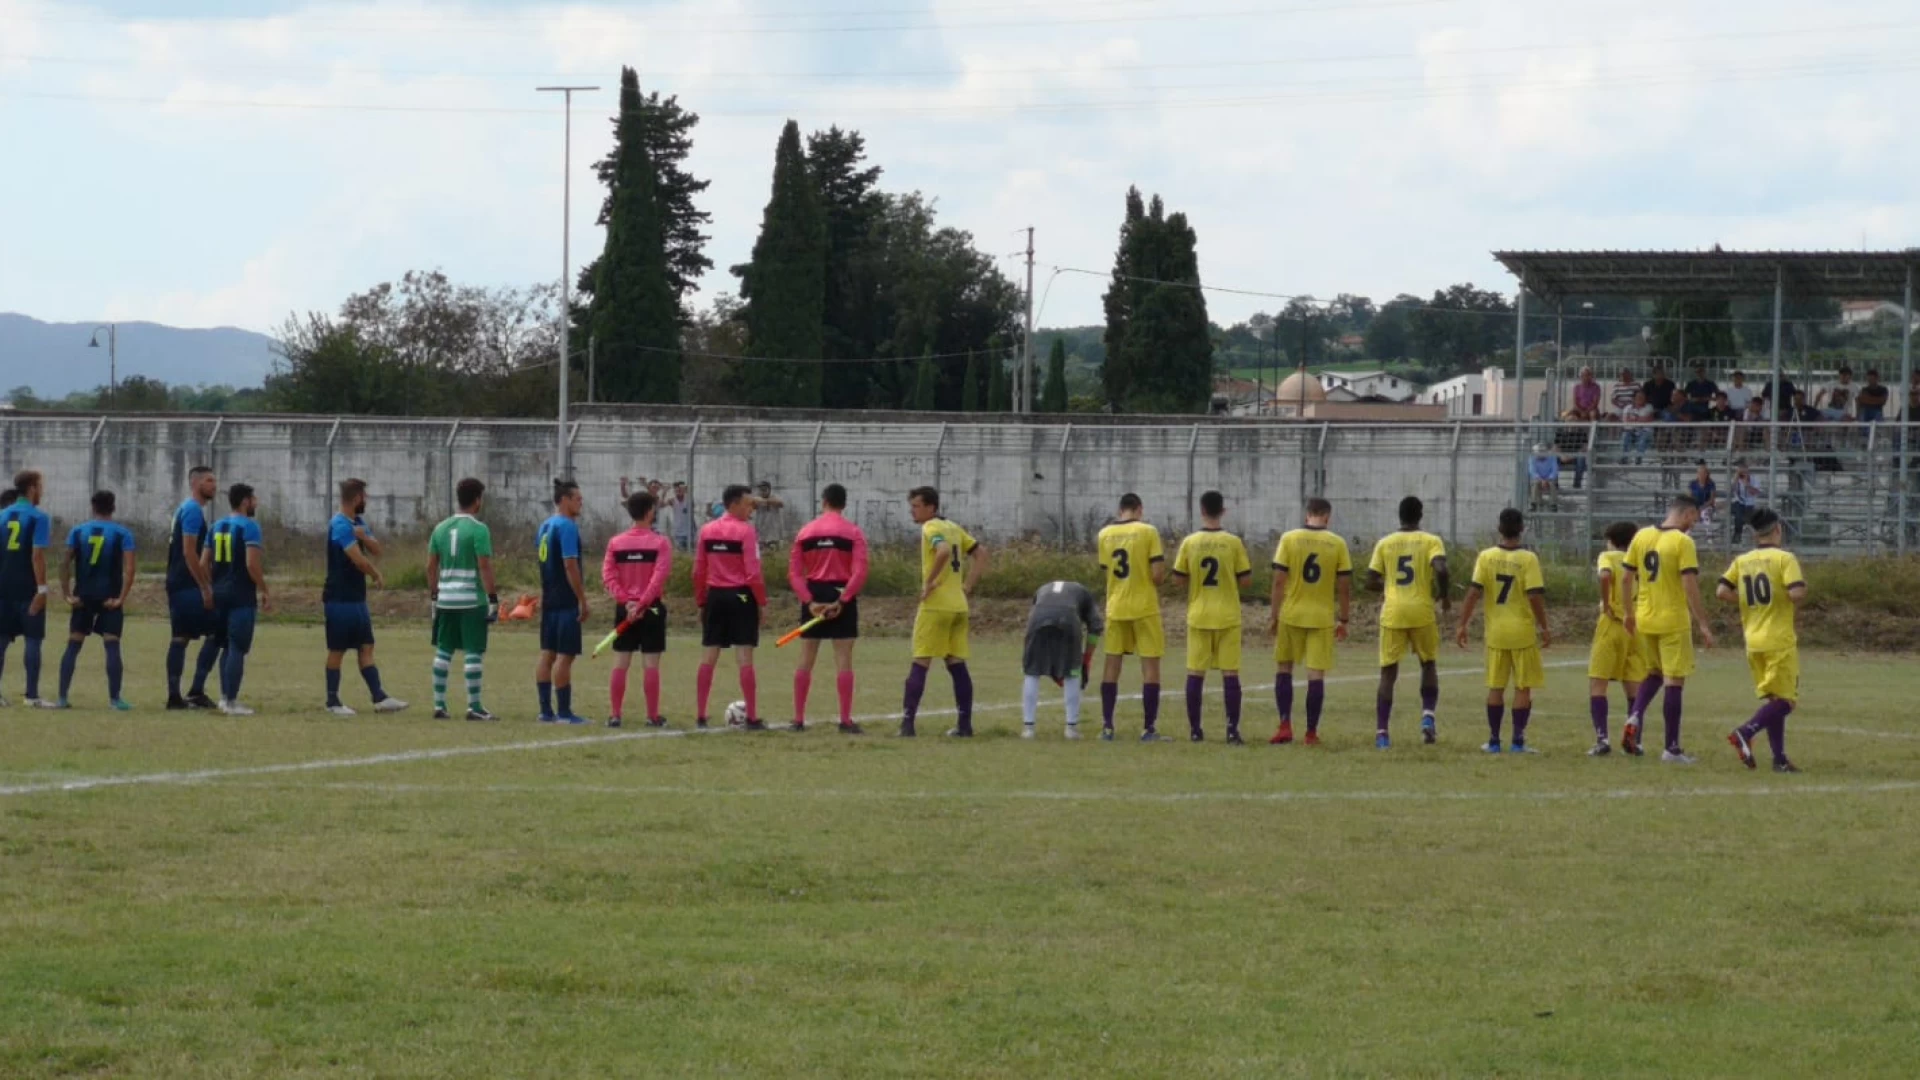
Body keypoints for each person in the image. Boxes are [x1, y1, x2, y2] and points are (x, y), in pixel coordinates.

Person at [1622, 495, 1717, 762]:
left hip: (1645, 617)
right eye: (1694, 519)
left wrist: (1629, 613)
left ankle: (1635, 715)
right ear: (1686, 514)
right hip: (1672, 620)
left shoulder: (1641, 536)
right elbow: (1689, 584)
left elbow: (1626, 577)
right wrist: (1702, 622)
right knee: (1674, 681)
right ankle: (1671, 748)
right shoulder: (1682, 542)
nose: (1694, 525)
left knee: (1653, 672)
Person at [1454, 508, 1550, 754]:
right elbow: (1534, 596)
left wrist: (1462, 624)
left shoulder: (1486, 557)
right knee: (1522, 687)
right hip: (1521, 632)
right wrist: (1544, 626)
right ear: (1522, 529)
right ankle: (1518, 741)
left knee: (1496, 687)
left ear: (1499, 529)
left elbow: (1473, 592)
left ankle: (1494, 740)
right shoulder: (1528, 559)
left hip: (1495, 632)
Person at [1716, 509, 1803, 773]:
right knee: (1786, 701)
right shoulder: (1785, 558)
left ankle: (1779, 759)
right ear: (1778, 529)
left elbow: (1721, 591)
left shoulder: (1743, 560)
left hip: (1753, 639)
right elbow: (1796, 592)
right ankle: (1745, 732)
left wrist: (1745, 601)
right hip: (1778, 638)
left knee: (1774, 699)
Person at [900, 486, 987, 738]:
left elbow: (944, 551)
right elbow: (981, 553)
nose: (912, 511)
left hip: (936, 605)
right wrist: (967, 586)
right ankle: (965, 725)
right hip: (958, 605)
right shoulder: (953, 526)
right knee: (956, 664)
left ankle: (907, 725)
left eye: (916, 506)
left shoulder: (931, 528)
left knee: (920, 661)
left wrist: (928, 582)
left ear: (931, 507)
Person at [1267, 497, 1352, 746]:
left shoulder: (1289, 539)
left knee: (1284, 669)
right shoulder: (1337, 543)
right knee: (1315, 675)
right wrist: (1344, 618)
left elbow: (1279, 581)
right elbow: (1344, 586)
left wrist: (1274, 616)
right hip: (1321, 617)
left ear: (1307, 515)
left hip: (1291, 614)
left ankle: (1284, 725)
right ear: (1327, 517)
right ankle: (1311, 733)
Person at [1365, 496, 1449, 749]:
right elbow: (1442, 569)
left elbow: (1369, 580)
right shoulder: (1431, 541)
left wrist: (1387, 585)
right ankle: (1427, 718)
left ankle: (1382, 734)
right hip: (1421, 611)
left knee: (1388, 673)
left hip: (1393, 612)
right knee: (1428, 663)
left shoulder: (1385, 543)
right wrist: (1443, 595)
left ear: (1399, 515)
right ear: (1420, 515)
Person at [1169, 491, 1253, 744]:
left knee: (1195, 673)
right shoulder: (1233, 542)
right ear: (1223, 511)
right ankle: (1231, 730)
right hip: (1227, 615)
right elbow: (1246, 580)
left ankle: (1195, 730)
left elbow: (1177, 578)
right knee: (1230, 674)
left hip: (1199, 614)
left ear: (1202, 510)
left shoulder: (1190, 542)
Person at [788, 483, 869, 734]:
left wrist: (809, 601)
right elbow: (860, 571)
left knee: (805, 659)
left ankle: (798, 719)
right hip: (840, 593)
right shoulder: (853, 532)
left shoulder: (805, 532)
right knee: (843, 659)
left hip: (814, 593)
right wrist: (843, 601)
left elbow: (794, 573)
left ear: (823, 502)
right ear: (844, 504)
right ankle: (845, 720)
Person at [323, 479, 405, 717]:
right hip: (339, 598)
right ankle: (332, 701)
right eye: (365, 496)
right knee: (337, 650)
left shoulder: (358, 523)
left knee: (366, 646)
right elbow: (357, 559)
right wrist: (376, 574)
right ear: (357, 498)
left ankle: (379, 697)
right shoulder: (339, 524)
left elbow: (377, 549)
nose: (367, 500)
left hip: (357, 598)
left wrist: (364, 536)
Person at [55, 490, 137, 710]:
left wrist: (67, 594)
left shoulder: (78, 531)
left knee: (73, 645)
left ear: (92, 506)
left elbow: (64, 564)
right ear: (114, 506)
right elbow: (130, 569)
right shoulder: (122, 533)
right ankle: (115, 699)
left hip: (83, 596)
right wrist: (121, 598)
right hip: (109, 597)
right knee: (112, 645)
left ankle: (62, 698)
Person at [694, 484, 767, 729]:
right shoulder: (746, 531)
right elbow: (753, 572)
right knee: (745, 655)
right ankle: (753, 716)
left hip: (715, 595)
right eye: (747, 504)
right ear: (733, 504)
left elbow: (698, 570)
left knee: (709, 655)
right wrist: (761, 602)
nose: (751, 509)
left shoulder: (707, 531)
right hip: (741, 596)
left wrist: (701, 600)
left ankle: (701, 714)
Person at [426, 477, 499, 722]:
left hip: (446, 599)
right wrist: (493, 598)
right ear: (477, 500)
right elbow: (484, 566)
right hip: (471, 600)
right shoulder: (479, 529)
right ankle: (474, 706)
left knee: (444, 650)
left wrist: (435, 596)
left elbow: (430, 567)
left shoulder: (440, 528)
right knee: (473, 651)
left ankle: (439, 704)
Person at [1096, 493, 1167, 741]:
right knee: (1150, 666)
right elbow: (1157, 575)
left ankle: (1107, 726)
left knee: (1112, 665)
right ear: (1139, 509)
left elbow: (1107, 570)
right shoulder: (1148, 532)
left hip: (1116, 606)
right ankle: (1148, 728)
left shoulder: (1104, 534)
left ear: (1120, 510)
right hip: (1144, 607)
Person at [603, 489, 673, 729]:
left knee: (621, 661)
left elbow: (609, 576)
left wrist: (626, 602)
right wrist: (642, 603)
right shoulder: (660, 543)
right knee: (651, 663)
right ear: (650, 511)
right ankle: (652, 716)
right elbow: (658, 577)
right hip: (650, 609)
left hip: (626, 609)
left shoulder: (616, 542)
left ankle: (615, 715)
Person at [204, 483, 269, 716]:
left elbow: (204, 563)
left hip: (219, 593)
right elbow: (252, 564)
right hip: (241, 594)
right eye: (254, 499)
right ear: (245, 501)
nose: (257, 502)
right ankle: (231, 701)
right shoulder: (250, 527)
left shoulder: (216, 526)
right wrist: (264, 589)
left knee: (225, 646)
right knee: (238, 647)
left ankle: (224, 697)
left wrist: (208, 589)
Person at [1585, 521, 1646, 757]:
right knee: (1634, 687)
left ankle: (1602, 739)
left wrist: (1607, 603)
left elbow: (1604, 576)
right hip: (1635, 626)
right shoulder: (1639, 560)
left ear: (1611, 540)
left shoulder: (1608, 556)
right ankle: (1635, 742)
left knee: (1598, 683)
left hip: (1612, 625)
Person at [535, 478, 592, 724]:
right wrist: (582, 599)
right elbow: (570, 564)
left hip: (549, 597)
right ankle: (565, 713)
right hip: (565, 599)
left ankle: (546, 711)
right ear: (565, 500)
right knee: (565, 655)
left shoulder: (545, 525)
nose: (581, 502)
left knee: (547, 653)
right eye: (577, 498)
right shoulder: (567, 526)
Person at [164, 465, 220, 710]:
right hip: (187, 584)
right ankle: (194, 690)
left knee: (181, 637)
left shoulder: (184, 509)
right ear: (197, 484)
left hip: (177, 582)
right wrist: (205, 587)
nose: (214, 486)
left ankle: (176, 695)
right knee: (217, 632)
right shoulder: (193, 511)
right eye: (209, 480)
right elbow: (189, 551)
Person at [1019, 580, 1104, 740]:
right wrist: (1086, 660)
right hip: (1068, 618)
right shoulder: (1084, 593)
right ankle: (1071, 728)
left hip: (1037, 619)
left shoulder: (1042, 588)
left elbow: (1037, 611)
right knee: (1072, 673)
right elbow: (1095, 627)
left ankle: (1028, 728)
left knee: (1032, 671)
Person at [0, 469, 54, 707]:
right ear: (32, 488)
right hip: (28, 589)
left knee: (0, 641)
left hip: (3, 588)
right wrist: (42, 590)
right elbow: (37, 556)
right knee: (32, 640)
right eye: (41, 486)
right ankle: (31, 696)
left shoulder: (1, 515)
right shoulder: (38, 517)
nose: (42, 491)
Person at [1728, 463, 1762, 544]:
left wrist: (1747, 484)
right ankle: (1738, 535)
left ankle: (1737, 535)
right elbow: (1730, 492)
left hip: (1749, 505)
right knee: (1738, 511)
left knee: (1740, 515)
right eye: (1741, 471)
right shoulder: (1735, 479)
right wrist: (1736, 479)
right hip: (1738, 503)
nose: (1742, 473)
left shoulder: (1755, 479)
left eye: (1744, 471)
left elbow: (1755, 492)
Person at [1621, 390, 1655, 463]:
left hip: (1645, 431)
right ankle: (1624, 458)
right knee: (1625, 436)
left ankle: (1638, 458)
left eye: (1643, 397)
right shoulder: (1628, 407)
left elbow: (1649, 419)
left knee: (1643, 438)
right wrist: (1642, 419)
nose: (1641, 398)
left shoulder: (1649, 406)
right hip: (1630, 430)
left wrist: (1635, 418)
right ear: (1634, 398)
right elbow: (1626, 420)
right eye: (1639, 397)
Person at [1528, 445, 1560, 510]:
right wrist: (1541, 480)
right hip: (1538, 478)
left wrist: (1547, 479)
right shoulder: (1531, 458)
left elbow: (1555, 470)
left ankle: (1553, 504)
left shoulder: (1552, 457)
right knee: (1535, 483)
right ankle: (1533, 504)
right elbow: (1532, 471)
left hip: (1550, 478)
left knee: (1552, 484)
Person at [1689, 463, 1718, 528]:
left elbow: (1712, 499)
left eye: (1703, 473)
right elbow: (1690, 498)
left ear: (1706, 474)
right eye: (1699, 473)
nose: (1701, 475)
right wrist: (1696, 508)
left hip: (1707, 506)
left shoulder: (1711, 484)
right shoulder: (1692, 483)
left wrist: (1702, 507)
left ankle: (1709, 535)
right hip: (1695, 505)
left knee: (1705, 514)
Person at [669, 481, 695, 551]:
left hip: (689, 532)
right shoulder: (672, 500)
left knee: (691, 553)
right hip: (678, 533)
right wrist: (664, 492)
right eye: (676, 489)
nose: (678, 491)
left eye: (680, 489)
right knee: (680, 553)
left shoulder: (689, 499)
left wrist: (686, 490)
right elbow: (661, 505)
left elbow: (692, 505)